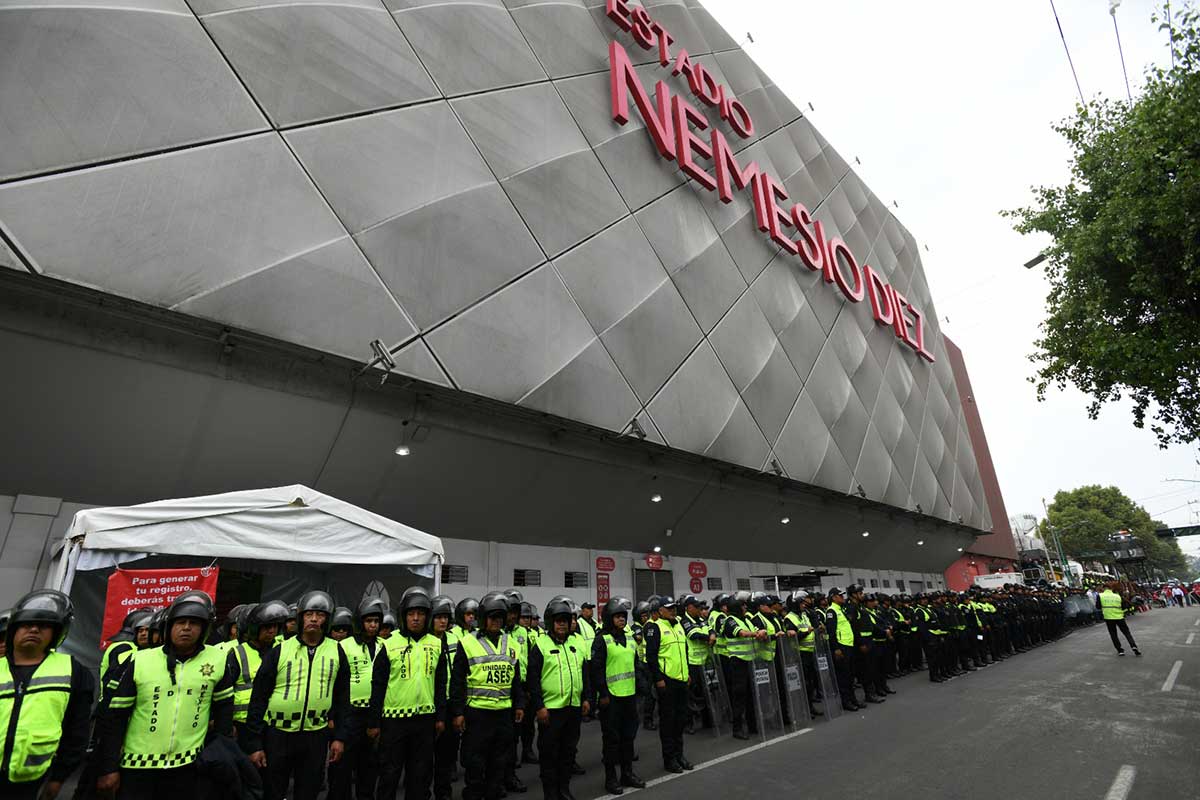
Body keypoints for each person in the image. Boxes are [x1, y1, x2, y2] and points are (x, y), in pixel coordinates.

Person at [97, 590, 234, 800]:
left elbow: (224, 709)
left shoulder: (218, 659)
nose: (187, 628)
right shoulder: (141, 661)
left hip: (189, 767)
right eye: (181, 622)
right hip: (137, 767)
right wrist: (108, 767)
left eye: (194, 623)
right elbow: (115, 718)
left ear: (204, 629)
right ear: (169, 627)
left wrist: (219, 753)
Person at [243, 590, 353, 800]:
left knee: (309, 790)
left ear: (327, 619)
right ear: (300, 617)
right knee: (274, 791)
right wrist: (254, 744)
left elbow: (342, 699)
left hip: (315, 736)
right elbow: (258, 698)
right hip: (278, 734)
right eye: (309, 614)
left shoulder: (337, 652)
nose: (313, 619)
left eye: (320, 615)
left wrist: (340, 737)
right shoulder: (280, 650)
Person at [1, 590, 93, 800]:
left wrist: (58, 779)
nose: (34, 629)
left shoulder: (73, 671)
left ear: (57, 632)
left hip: (33, 780)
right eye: (26, 624)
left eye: (44, 626)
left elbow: (77, 731)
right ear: (13, 630)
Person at [372, 587, 447, 800]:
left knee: (421, 777)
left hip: (425, 721)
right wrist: (374, 722)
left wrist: (441, 717)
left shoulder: (436, 644)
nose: (416, 618)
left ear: (427, 616)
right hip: (393, 722)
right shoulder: (389, 645)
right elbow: (378, 685)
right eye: (411, 614)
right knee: (389, 775)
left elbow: (441, 683)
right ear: (403, 616)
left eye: (421, 614)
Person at [449, 591, 525, 800]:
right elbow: (457, 682)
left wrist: (519, 704)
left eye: (500, 618)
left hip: (503, 714)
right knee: (475, 764)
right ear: (484, 618)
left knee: (498, 764)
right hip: (477, 715)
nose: (496, 622)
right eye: (492, 617)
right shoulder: (468, 643)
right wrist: (457, 712)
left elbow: (515, 679)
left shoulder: (512, 644)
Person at [526, 597, 589, 800]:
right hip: (550, 712)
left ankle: (564, 789)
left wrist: (586, 698)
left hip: (573, 709)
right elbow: (533, 680)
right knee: (549, 755)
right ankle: (551, 794)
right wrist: (539, 707)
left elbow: (584, 674)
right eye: (558, 620)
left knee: (567, 753)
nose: (562, 623)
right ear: (551, 622)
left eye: (565, 620)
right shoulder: (541, 645)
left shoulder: (576, 644)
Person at [329, 595, 386, 800]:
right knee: (342, 769)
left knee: (369, 767)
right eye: (369, 621)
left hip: (373, 715)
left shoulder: (384, 646)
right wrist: (333, 715)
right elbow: (335, 685)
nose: (373, 625)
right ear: (360, 622)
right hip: (349, 715)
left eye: (376, 621)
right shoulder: (344, 646)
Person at [590, 598, 644, 796]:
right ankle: (611, 778)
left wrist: (641, 684)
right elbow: (596, 670)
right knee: (612, 740)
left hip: (629, 695)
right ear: (608, 618)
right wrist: (602, 694)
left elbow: (635, 664)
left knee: (628, 737)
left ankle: (627, 773)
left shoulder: (630, 638)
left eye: (623, 616)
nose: (621, 619)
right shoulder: (601, 639)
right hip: (610, 698)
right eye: (617, 616)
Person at [642, 596, 690, 772]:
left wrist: (688, 673)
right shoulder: (655, 628)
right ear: (660, 610)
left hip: (682, 680)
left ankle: (679, 755)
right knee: (668, 722)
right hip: (667, 681)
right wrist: (658, 679)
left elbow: (684, 651)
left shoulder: (678, 626)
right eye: (669, 608)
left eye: (674, 608)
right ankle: (669, 759)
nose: (673, 610)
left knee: (681, 720)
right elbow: (651, 657)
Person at [719, 591, 763, 738]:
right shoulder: (730, 620)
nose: (745, 607)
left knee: (751, 695)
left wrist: (762, 633)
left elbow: (755, 630)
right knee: (739, 696)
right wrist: (756, 634)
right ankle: (737, 729)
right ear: (737, 607)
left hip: (749, 661)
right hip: (737, 662)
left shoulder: (746, 620)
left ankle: (752, 725)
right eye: (743, 605)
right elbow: (742, 633)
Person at [431, 595, 460, 800]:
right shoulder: (425, 641)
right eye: (438, 617)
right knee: (423, 757)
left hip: (450, 703)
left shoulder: (456, 640)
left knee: (446, 754)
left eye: (445, 617)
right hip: (428, 704)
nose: (443, 621)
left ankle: (444, 793)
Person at [679, 595, 713, 733]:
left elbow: (711, 629)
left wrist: (712, 635)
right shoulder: (685, 621)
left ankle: (707, 720)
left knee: (705, 692)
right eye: (696, 607)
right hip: (691, 662)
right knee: (690, 694)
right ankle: (688, 724)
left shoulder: (702, 620)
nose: (700, 609)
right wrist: (708, 637)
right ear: (689, 608)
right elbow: (693, 635)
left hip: (704, 661)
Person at [825, 587, 862, 711]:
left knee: (851, 675)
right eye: (840, 595)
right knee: (844, 676)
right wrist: (836, 648)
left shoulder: (841, 609)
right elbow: (831, 632)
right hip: (841, 647)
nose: (843, 597)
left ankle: (853, 699)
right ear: (834, 597)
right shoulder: (831, 611)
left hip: (848, 645)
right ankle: (846, 702)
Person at [1097, 582, 1141, 656]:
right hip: (1120, 617)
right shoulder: (1117, 596)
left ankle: (1120, 650)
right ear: (1111, 588)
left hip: (1109, 618)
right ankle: (1133, 646)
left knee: (1113, 634)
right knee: (1127, 633)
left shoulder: (1100, 596)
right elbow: (1124, 606)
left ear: (1104, 588)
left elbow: (1098, 606)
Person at [575, 602, 598, 723]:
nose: (590, 611)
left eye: (591, 609)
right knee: (585, 687)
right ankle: (584, 712)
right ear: (582, 611)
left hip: (594, 659)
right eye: (588, 609)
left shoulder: (594, 623)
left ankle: (592, 710)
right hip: (585, 659)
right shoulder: (579, 623)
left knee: (593, 687)